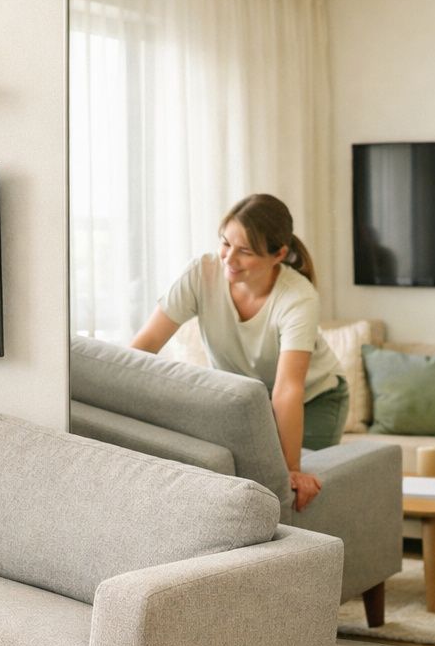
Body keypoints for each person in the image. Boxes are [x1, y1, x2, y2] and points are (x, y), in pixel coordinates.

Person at [130, 193, 347, 512]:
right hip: (250, 401)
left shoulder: (298, 298)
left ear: (278, 254)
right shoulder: (201, 274)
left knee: (283, 493)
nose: (229, 259)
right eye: (225, 243)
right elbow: (145, 345)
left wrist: (291, 469)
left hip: (313, 399)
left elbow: (288, 390)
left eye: (245, 251)